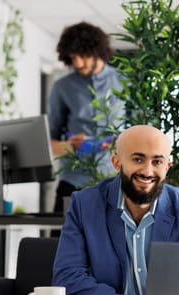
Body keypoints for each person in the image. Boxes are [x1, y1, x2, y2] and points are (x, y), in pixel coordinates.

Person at [52, 125, 179, 295]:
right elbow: (68, 276)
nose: (147, 171)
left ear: (167, 167)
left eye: (157, 161)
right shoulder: (84, 205)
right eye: (138, 159)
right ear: (117, 163)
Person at [48, 21, 124, 216]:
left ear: (98, 51)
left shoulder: (124, 83)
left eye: (84, 56)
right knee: (59, 244)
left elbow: (140, 133)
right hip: (72, 182)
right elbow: (49, 142)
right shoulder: (62, 87)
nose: (79, 63)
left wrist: (120, 144)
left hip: (113, 181)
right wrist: (70, 146)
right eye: (74, 57)